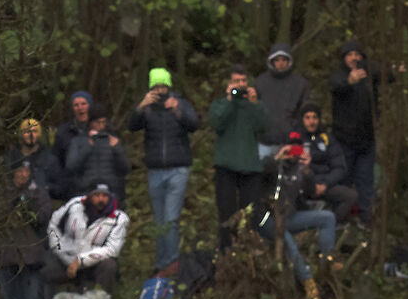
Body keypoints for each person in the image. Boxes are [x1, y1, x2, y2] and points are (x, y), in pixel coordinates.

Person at [129, 68, 200, 270]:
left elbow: (194, 124)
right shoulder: (148, 108)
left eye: (163, 86)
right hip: (155, 171)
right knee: (160, 222)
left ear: (169, 86)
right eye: (156, 87)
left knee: (170, 220)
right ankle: (161, 264)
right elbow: (132, 126)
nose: (160, 90)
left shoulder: (180, 103)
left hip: (178, 169)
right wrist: (141, 106)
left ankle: (172, 264)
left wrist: (178, 109)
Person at [328, 40, 402, 216]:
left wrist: (395, 69)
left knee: (366, 180)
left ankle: (365, 217)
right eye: (350, 54)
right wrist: (349, 81)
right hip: (344, 139)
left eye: (357, 54)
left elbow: (385, 74)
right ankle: (341, 217)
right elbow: (337, 86)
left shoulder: (369, 74)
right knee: (343, 179)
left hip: (366, 139)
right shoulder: (338, 76)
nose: (354, 58)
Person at [265, 135, 339, 296]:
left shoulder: (299, 170)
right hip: (269, 221)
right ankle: (307, 281)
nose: (293, 152)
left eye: (297, 148)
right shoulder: (272, 165)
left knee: (328, 217)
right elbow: (262, 171)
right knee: (287, 239)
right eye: (291, 147)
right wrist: (278, 157)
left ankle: (327, 263)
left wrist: (307, 171)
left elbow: (312, 192)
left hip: (291, 218)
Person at [46, 185, 127, 299]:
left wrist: (81, 261)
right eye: (97, 195)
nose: (100, 199)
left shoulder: (119, 218)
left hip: (93, 262)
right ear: (90, 196)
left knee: (109, 265)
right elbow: (54, 225)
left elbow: (112, 249)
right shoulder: (74, 205)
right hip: (66, 257)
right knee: (45, 268)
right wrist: (60, 251)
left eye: (104, 196)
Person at [208, 68, 269, 249]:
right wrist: (229, 100)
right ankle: (226, 254)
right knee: (226, 214)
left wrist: (254, 103)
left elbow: (264, 125)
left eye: (243, 81)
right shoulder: (220, 104)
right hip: (226, 166)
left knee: (251, 214)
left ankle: (249, 252)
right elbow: (216, 123)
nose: (240, 85)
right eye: (236, 81)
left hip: (250, 167)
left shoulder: (254, 104)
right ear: (229, 84)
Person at [0, 161, 56, 299]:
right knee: (5, 289)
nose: (23, 175)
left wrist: (28, 208)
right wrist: (12, 206)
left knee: (31, 291)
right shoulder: (1, 191)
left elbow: (44, 215)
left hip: (31, 251)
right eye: (19, 171)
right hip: (5, 250)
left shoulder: (38, 192)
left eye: (26, 171)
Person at [295, 106, 359, 223]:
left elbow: (339, 167)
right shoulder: (296, 139)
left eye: (315, 117)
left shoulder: (327, 139)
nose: (311, 121)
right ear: (302, 120)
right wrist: (311, 183)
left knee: (351, 196)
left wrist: (325, 184)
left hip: (326, 185)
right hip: (304, 185)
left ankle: (331, 224)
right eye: (307, 118)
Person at [255, 44, 312, 162]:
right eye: (277, 60)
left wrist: (296, 137)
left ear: (289, 61)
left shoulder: (300, 84)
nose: (281, 63)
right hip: (264, 141)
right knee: (261, 176)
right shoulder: (260, 82)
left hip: (290, 142)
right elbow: (254, 110)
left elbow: (305, 113)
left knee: (289, 178)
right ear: (272, 61)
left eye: (284, 60)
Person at [59, 109, 127, 202]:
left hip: (110, 191)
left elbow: (125, 169)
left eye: (103, 122)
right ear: (90, 123)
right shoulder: (78, 141)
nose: (101, 125)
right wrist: (88, 146)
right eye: (97, 122)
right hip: (85, 191)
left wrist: (117, 149)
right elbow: (70, 167)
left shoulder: (113, 140)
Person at [10, 118, 67, 200]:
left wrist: (44, 187)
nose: (30, 134)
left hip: (42, 206)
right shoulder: (12, 157)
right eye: (26, 131)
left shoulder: (49, 159)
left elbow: (60, 188)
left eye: (34, 131)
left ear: (39, 134)